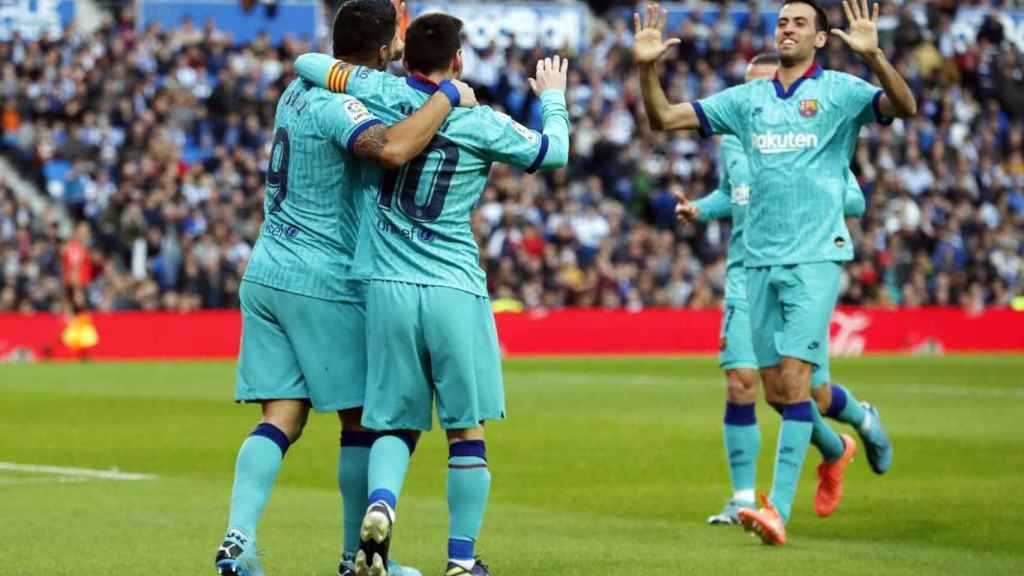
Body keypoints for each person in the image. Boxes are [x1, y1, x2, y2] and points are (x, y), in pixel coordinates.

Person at [293, 13, 570, 575]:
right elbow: (554, 152)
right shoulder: (482, 122)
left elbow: (311, 64)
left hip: (387, 287)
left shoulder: (381, 92)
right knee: (466, 428)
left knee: (393, 422)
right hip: (452, 287)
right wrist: (555, 99)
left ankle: (381, 505)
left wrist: (424, 88)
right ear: (459, 61)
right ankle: (461, 562)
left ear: (403, 56)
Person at [635, 0, 913, 545]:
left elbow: (905, 106)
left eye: (799, 22)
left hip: (815, 256)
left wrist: (875, 55)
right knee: (779, 394)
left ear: (822, 38)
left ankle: (775, 510)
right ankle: (836, 451)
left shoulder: (840, 92)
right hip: (755, 261)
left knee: (798, 380)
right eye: (782, 21)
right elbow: (663, 118)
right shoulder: (748, 101)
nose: (787, 28)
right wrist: (647, 67)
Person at [214, 2, 476, 575]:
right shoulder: (344, 105)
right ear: (384, 51)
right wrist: (449, 96)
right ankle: (351, 559)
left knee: (281, 417)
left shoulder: (295, 87)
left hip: (265, 271)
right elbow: (391, 148)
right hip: (322, 276)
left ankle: (238, 542)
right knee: (362, 422)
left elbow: (340, 67)